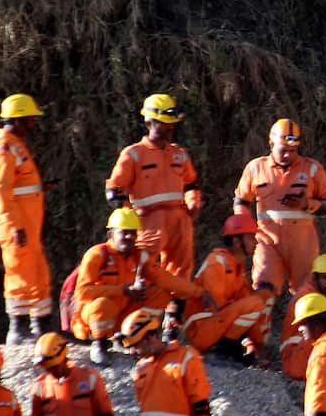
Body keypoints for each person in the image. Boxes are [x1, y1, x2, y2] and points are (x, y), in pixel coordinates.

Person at [233, 119, 326, 329]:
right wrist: (245, 230)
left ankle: (302, 346)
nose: (288, 154)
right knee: (263, 290)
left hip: (303, 245)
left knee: (306, 294)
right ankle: (254, 345)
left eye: (293, 149)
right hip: (267, 242)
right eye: (284, 149)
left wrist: (307, 203)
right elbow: (240, 201)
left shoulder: (312, 169)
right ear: (271, 144)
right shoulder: (255, 168)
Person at [71, 208, 207, 365]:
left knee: (160, 293)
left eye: (133, 233)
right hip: (93, 318)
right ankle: (99, 344)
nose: (129, 237)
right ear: (110, 235)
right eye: (124, 232)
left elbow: (165, 278)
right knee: (103, 304)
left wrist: (199, 292)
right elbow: (82, 292)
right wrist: (123, 290)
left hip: (122, 314)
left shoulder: (138, 256)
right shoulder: (97, 255)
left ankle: (133, 338)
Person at [105, 93, 201, 279]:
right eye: (165, 122)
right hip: (147, 222)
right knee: (140, 271)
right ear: (150, 122)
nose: (170, 127)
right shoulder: (134, 154)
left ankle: (175, 307)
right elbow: (115, 192)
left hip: (180, 222)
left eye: (172, 122)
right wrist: (129, 222)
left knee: (180, 275)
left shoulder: (179, 154)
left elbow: (191, 184)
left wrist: (193, 206)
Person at [0, 93, 53, 344]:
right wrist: (14, 225)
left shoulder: (15, 144)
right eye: (30, 120)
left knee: (37, 272)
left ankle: (40, 327)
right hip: (16, 224)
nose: (33, 125)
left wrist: (40, 188)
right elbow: (2, 190)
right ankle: (18, 329)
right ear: (18, 119)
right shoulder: (5, 147)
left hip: (26, 224)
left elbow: (18, 185)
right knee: (20, 273)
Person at [181, 214, 272, 365]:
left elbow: (246, 311)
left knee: (259, 300)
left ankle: (229, 349)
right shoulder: (217, 263)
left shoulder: (236, 270)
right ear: (237, 241)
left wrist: (259, 346)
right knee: (255, 302)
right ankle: (222, 350)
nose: (255, 242)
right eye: (251, 237)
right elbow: (216, 305)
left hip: (213, 325)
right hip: (201, 329)